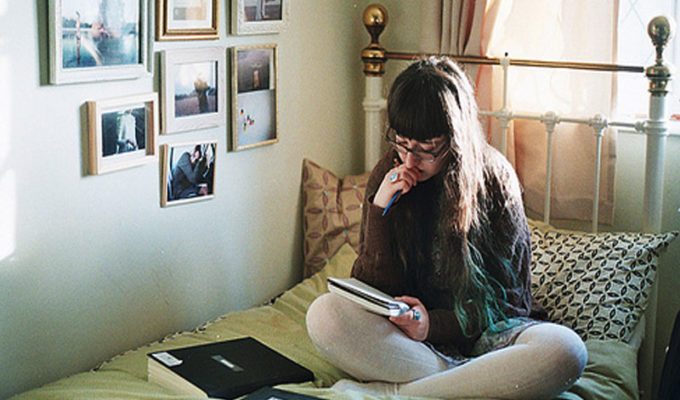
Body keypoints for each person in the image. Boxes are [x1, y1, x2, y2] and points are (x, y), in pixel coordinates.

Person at [305, 57, 587, 399]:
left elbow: (509, 304)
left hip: (491, 342)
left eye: (426, 150)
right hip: (414, 345)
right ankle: (463, 385)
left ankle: (396, 393)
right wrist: (380, 210)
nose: (409, 160)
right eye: (402, 142)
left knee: (567, 350)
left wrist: (432, 325)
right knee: (324, 315)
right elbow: (374, 289)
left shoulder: (495, 180)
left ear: (455, 139)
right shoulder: (389, 174)